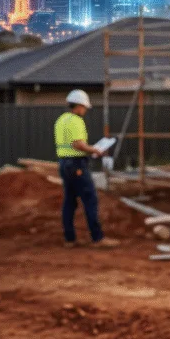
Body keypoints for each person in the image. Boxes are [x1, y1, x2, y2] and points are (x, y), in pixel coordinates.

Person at [54, 89, 119, 249]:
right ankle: (98, 238)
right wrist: (95, 150)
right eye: (84, 107)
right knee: (90, 199)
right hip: (76, 164)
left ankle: (70, 239)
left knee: (69, 201)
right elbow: (78, 144)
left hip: (64, 164)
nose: (85, 110)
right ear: (80, 106)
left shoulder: (61, 119)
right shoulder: (76, 121)